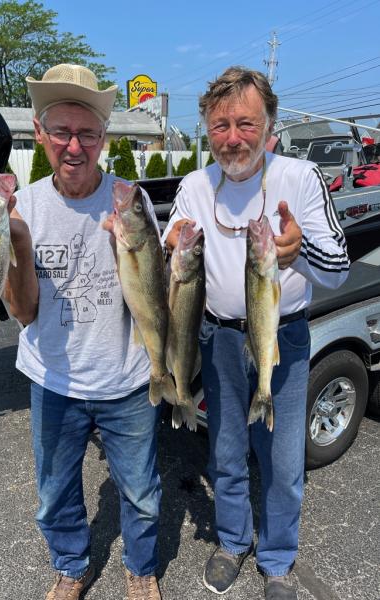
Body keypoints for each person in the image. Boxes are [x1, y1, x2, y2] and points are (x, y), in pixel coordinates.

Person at [164, 66, 350, 600]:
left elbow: (337, 267)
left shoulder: (299, 177)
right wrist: (167, 240)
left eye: (246, 123)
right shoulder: (197, 185)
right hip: (218, 337)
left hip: (281, 337)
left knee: (284, 459)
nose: (232, 138)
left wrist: (300, 252)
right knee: (224, 450)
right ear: (206, 130)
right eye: (219, 126)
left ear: (270, 125)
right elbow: (173, 241)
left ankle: (276, 559)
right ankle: (231, 541)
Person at [4, 63, 162, 600]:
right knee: (54, 493)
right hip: (53, 381)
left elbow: (152, 299)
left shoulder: (129, 201)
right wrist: (20, 249)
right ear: (39, 132)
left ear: (104, 138)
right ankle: (71, 567)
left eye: (87, 133)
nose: (74, 146)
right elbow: (24, 313)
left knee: (140, 493)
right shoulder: (22, 208)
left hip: (127, 382)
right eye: (62, 132)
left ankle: (141, 570)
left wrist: (135, 251)